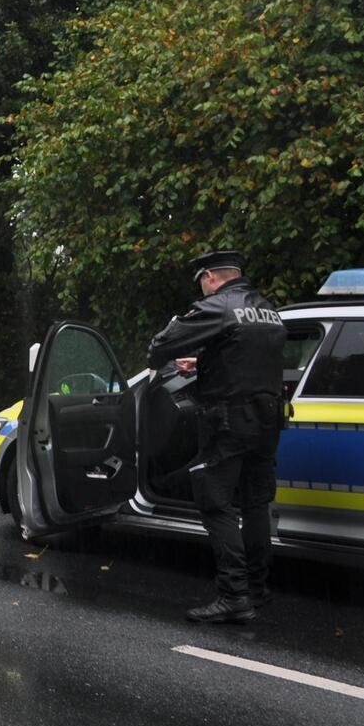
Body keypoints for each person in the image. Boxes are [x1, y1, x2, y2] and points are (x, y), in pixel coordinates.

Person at [147, 250, 285, 623]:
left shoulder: (219, 307)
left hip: (228, 423)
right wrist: (205, 362)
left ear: (209, 276)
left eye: (202, 282)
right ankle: (256, 589)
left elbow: (160, 347)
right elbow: (246, 359)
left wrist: (180, 342)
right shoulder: (267, 309)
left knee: (215, 503)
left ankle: (233, 595)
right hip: (268, 422)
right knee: (255, 505)